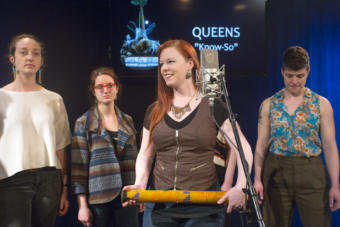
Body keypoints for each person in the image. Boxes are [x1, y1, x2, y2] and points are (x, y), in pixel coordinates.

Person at [123, 39, 253, 227]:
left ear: (190, 64)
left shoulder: (213, 105)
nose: (164, 68)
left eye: (170, 61)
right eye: (161, 64)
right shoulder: (154, 110)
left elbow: (243, 149)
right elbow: (145, 154)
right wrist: (140, 184)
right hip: (160, 207)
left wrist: (241, 186)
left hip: (204, 208)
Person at [253, 46, 340, 227]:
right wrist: (257, 179)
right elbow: (261, 146)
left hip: (311, 171)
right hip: (276, 171)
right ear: (282, 72)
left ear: (307, 72)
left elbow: (330, 146)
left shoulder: (322, 105)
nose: (294, 81)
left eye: (300, 76)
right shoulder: (268, 104)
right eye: (290, 75)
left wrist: (335, 185)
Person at [0, 34, 71, 226]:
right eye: (23, 52)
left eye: (35, 53)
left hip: (49, 180)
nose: (30, 57)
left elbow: (60, 146)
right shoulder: (1, 98)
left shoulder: (54, 99)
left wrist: (64, 187)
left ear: (41, 61)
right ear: (12, 59)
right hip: (11, 180)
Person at [71, 66, 139, 227]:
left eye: (110, 85)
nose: (105, 90)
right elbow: (78, 169)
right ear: (93, 92)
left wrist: (139, 194)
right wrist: (82, 206)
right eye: (99, 87)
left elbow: (137, 161)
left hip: (127, 196)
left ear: (116, 88)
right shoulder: (83, 123)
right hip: (99, 198)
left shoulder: (128, 121)